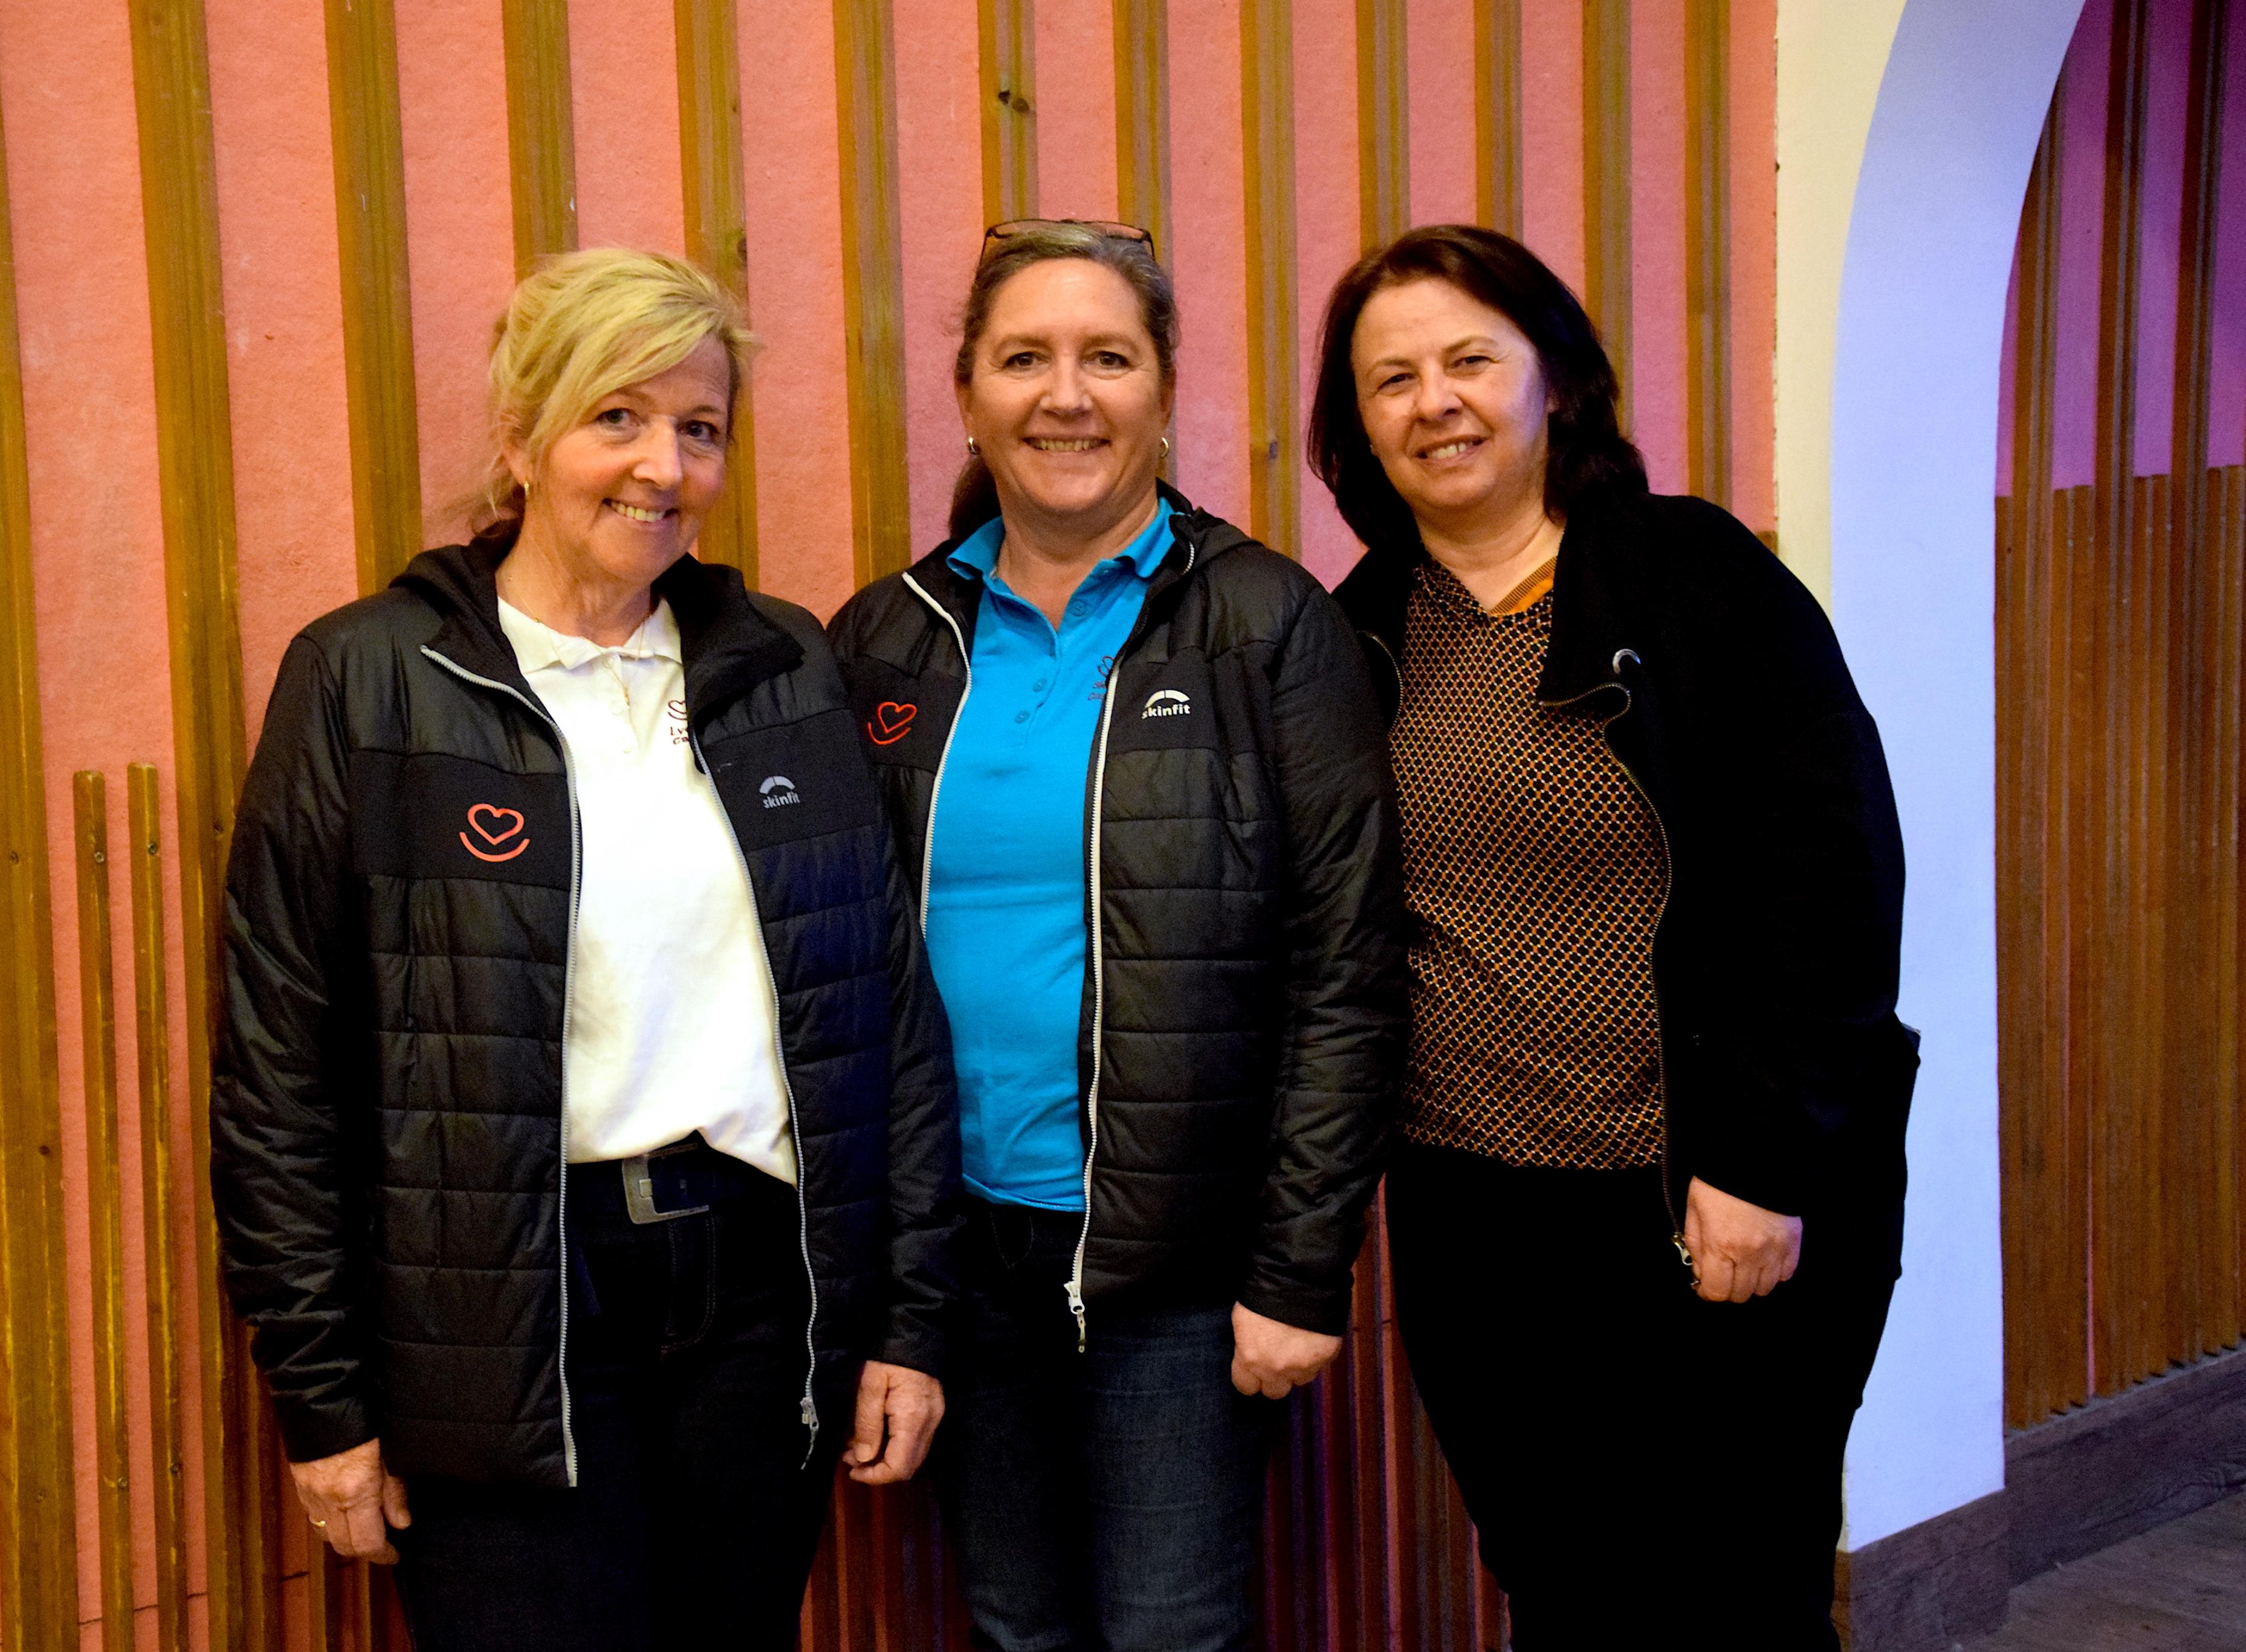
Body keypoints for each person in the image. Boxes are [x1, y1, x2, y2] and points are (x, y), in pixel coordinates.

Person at [209, 247, 959, 1652]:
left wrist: (908, 1321)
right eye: (616, 416)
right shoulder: (368, 679)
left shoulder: (783, 664)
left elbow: (889, 1018)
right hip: (504, 1304)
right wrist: (321, 1395)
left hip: (760, 1296)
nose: (662, 466)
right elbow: (275, 1073)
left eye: (699, 427)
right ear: (519, 436)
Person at [1313, 224, 1917, 1650]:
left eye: (1469, 360)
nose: (1433, 401)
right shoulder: (1356, 630)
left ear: (1555, 380)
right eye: (1390, 379)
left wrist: (1759, 1162)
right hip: (1474, 1215)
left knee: (1737, 1595)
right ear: (1359, 426)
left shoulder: (1690, 576)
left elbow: (1829, 874)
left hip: (1706, 1191)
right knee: (1562, 1586)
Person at [827, 219, 1405, 1652]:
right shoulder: (887, 636)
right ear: (967, 394)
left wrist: (1298, 1267)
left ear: (1162, 390)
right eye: (1023, 358)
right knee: (1013, 1623)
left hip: (1176, 1268)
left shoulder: (1264, 623)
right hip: (952, 1254)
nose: (1065, 395)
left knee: (1167, 1630)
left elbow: (1346, 966)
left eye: (1107, 357)